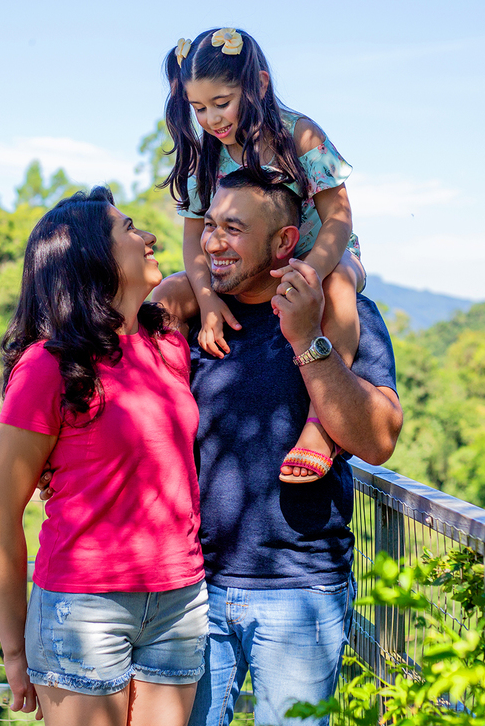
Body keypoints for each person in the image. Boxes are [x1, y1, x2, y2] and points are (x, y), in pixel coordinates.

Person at [153, 168, 402, 726]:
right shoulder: (196, 315)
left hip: (302, 590)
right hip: (190, 588)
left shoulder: (342, 315)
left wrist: (307, 341)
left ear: (284, 243)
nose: (214, 241)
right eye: (210, 225)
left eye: (234, 228)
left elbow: (379, 440)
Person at [0, 188, 208, 726]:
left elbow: (204, 280)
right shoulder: (46, 368)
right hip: (84, 607)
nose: (149, 237)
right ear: (90, 258)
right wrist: (14, 651)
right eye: (130, 229)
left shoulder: (165, 343)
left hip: (178, 602)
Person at [161, 27, 364, 484]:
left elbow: (339, 217)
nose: (212, 119)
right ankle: (156, 414)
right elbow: (195, 241)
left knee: (338, 286)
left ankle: (318, 426)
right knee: (170, 292)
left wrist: (308, 274)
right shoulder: (205, 159)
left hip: (320, 254)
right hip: (242, 266)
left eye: (222, 102)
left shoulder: (301, 136)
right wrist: (208, 301)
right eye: (198, 109)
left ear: (259, 86)